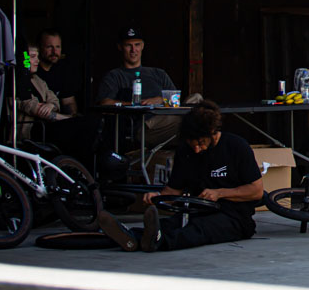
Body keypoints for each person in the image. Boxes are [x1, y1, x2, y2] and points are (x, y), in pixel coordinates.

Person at [97, 101, 262, 252]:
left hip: (233, 217)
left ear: (212, 133)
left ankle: (158, 242)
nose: (197, 149)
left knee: (198, 230)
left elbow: (256, 191)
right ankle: (129, 237)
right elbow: (174, 190)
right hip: (195, 211)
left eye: (201, 143)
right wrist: (157, 197)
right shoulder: (185, 152)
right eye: (193, 145)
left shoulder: (236, 146)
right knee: (169, 224)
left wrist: (220, 193)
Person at [97, 27, 181, 142]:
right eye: (128, 45)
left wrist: (159, 99)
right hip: (144, 127)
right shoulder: (114, 76)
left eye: (137, 45)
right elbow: (105, 103)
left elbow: (176, 100)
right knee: (192, 119)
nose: (133, 50)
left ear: (142, 46)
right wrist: (135, 104)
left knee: (197, 99)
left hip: (169, 120)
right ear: (120, 47)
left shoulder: (158, 73)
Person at [35, 28, 78, 116]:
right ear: (39, 48)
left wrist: (71, 118)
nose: (54, 51)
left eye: (57, 47)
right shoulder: (33, 70)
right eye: (49, 47)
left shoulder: (63, 70)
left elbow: (68, 102)